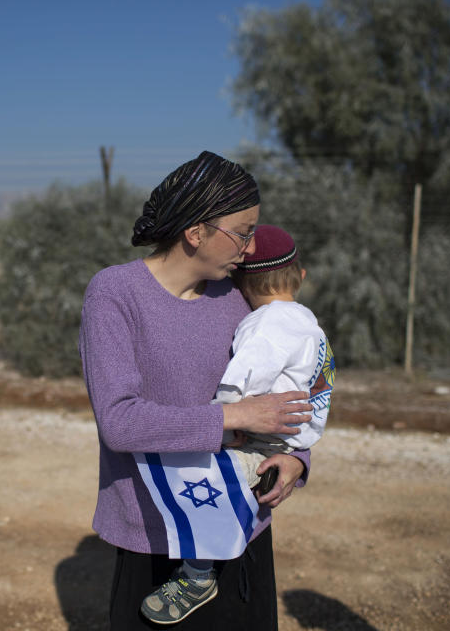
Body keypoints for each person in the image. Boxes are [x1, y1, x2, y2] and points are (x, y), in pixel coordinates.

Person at [78, 151, 313, 630]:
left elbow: (289, 385)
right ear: (195, 232)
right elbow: (120, 422)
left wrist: (297, 459)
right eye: (242, 232)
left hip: (237, 524)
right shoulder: (114, 294)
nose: (250, 249)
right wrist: (234, 418)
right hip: (156, 533)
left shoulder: (237, 297)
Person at [139, 224, 335, 625]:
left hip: (261, 441)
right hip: (289, 442)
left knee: (202, 483)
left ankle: (198, 575)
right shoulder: (307, 323)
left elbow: (237, 383)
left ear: (242, 283)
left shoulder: (267, 326)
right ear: (301, 275)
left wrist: (221, 422)